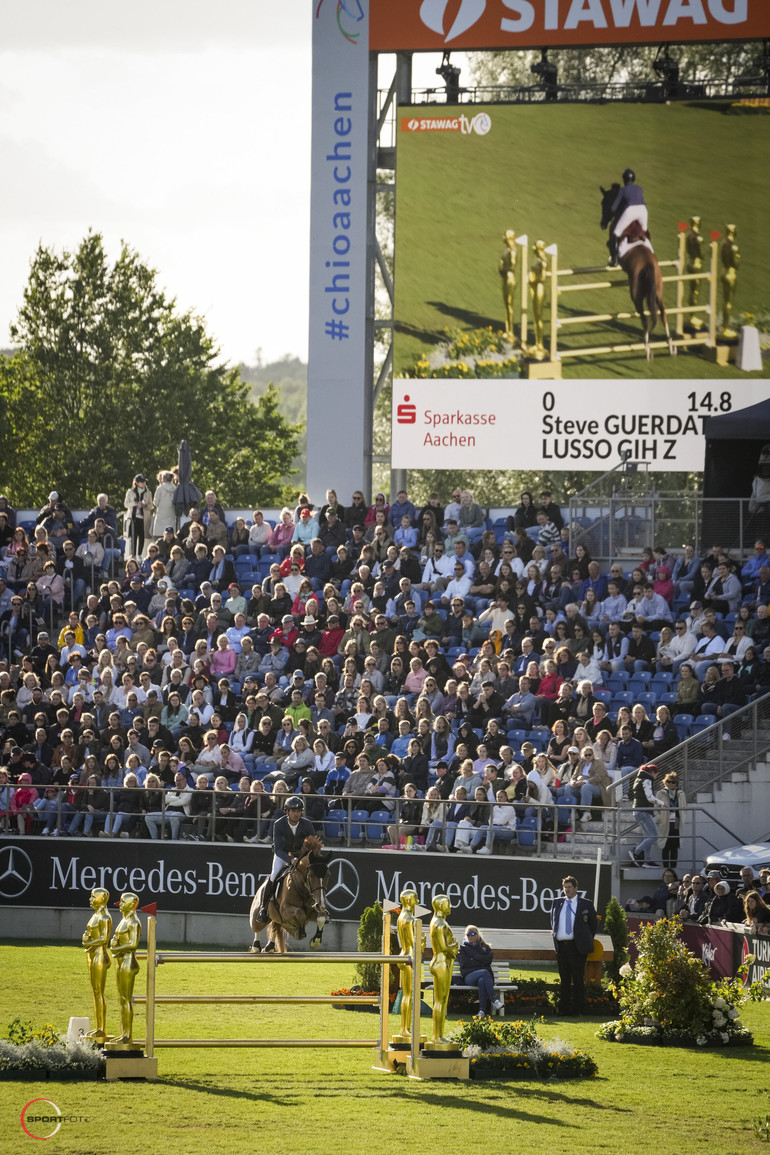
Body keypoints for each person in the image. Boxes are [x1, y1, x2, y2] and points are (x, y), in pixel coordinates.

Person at [256, 794, 315, 923]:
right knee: (273, 876)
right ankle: (263, 908)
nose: (296, 814)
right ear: (287, 811)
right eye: (293, 811)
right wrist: (290, 859)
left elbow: (313, 844)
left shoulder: (307, 824)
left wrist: (306, 857)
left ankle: (319, 908)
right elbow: (278, 849)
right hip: (283, 855)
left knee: (315, 876)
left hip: (301, 856)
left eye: (299, 811)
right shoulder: (279, 824)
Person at [550, 875, 597, 1016]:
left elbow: (593, 925)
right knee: (564, 979)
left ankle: (578, 1009)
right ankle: (563, 1009)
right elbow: (553, 921)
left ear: (576, 888)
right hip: (562, 947)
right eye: (565, 887)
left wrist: (584, 940)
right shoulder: (557, 902)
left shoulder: (585, 904)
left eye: (569, 887)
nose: (567, 890)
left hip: (577, 947)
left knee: (577, 979)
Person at [457, 925, 505, 1019]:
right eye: (468, 934)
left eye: (472, 934)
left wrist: (473, 957)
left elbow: (488, 960)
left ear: (477, 935)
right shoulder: (462, 948)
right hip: (469, 976)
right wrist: (480, 961)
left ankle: (482, 1011)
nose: (470, 936)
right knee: (484, 971)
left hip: (483, 977)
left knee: (482, 980)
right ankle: (494, 1000)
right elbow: (464, 963)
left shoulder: (485, 947)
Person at [607, 168, 648, 267]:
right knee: (644, 232)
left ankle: (615, 259)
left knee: (616, 233)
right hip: (643, 210)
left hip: (631, 211)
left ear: (624, 179)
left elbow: (614, 208)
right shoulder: (639, 188)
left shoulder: (622, 190)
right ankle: (650, 250)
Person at [629, 762, 661, 868]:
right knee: (654, 836)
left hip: (638, 810)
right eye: (656, 774)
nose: (656, 777)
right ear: (652, 772)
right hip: (644, 811)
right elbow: (650, 797)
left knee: (648, 836)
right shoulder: (647, 780)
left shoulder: (638, 779)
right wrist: (662, 803)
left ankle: (647, 860)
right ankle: (636, 851)